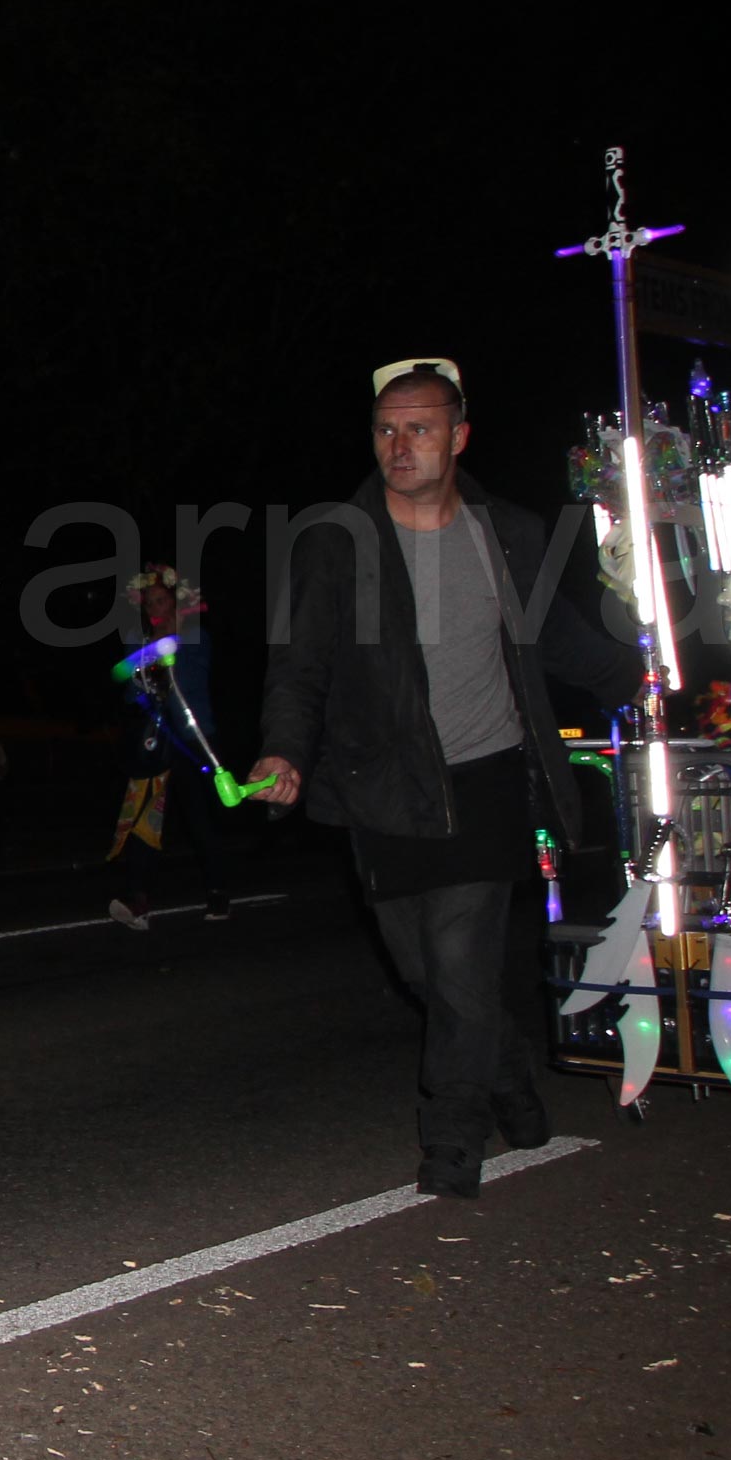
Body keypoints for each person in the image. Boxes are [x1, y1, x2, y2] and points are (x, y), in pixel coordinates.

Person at [248, 358, 640, 1198]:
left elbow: (562, 640)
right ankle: (509, 1075)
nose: (400, 445)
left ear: (459, 437)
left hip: (488, 775)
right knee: (423, 972)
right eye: (386, 429)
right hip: (383, 784)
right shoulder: (335, 542)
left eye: (419, 428)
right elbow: (299, 665)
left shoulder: (510, 534)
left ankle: (454, 1138)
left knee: (460, 962)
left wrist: (642, 678)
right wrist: (283, 751)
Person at [106, 563, 232, 930]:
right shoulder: (140, 639)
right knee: (144, 816)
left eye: (161, 601)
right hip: (157, 742)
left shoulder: (195, 637)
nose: (154, 609)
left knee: (199, 819)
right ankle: (138, 900)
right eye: (148, 604)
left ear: (176, 602)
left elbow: (190, 682)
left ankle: (218, 889)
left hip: (194, 740)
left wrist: (164, 649)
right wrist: (141, 673)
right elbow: (128, 690)